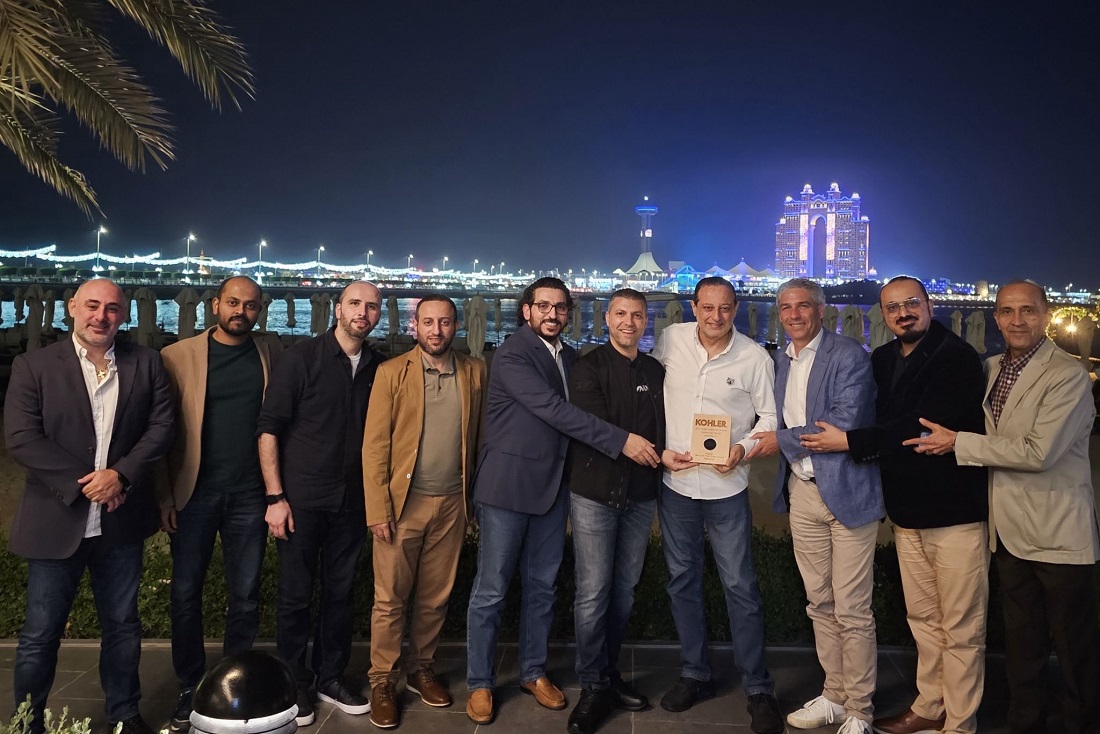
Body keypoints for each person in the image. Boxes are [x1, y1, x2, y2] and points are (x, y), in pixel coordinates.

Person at [907, 280, 1100, 734]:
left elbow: (1038, 452)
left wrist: (958, 443)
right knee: (1022, 646)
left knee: (1075, 652)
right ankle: (1023, 724)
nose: (1017, 321)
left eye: (1028, 311)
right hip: (1008, 534)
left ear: (1046, 314)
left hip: (1058, 535)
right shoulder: (991, 367)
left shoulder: (1068, 375)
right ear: (995, 318)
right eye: (1008, 312)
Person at [465, 277, 660, 725]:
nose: (552, 314)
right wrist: (622, 441)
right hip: (508, 488)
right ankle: (479, 682)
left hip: (555, 489)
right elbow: (556, 411)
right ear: (526, 311)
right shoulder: (513, 354)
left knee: (543, 587)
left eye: (560, 308)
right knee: (491, 590)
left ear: (568, 314)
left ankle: (533, 672)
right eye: (543, 306)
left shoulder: (572, 358)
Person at [803, 276, 989, 734]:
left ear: (929, 305)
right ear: (883, 315)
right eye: (892, 307)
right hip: (907, 515)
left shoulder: (957, 359)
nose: (903, 313)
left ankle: (960, 724)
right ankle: (929, 706)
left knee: (961, 626)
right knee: (924, 619)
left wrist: (847, 440)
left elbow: (917, 429)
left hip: (955, 514)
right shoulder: (883, 359)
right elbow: (876, 416)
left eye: (911, 304)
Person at [4, 278, 174, 734]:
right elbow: (22, 437)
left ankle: (124, 713)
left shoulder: (148, 364)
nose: (102, 316)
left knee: (123, 626)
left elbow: (160, 428)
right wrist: (86, 486)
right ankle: (27, 724)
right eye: (93, 306)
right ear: (72, 307)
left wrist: (120, 475)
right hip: (56, 520)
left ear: (125, 315)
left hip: (121, 521)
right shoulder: (34, 365)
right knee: (40, 635)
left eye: (113, 309)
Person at [747, 278, 885, 734]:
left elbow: (841, 425)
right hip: (803, 493)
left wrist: (776, 442)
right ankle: (834, 695)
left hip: (847, 491)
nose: (793, 315)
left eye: (802, 306)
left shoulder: (848, 354)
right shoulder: (780, 360)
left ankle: (861, 709)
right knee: (819, 602)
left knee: (852, 607)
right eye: (785, 307)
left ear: (819, 310)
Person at [650, 276, 783, 734]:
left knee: (740, 587)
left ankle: (758, 687)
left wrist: (743, 449)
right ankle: (695, 673)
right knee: (682, 581)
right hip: (676, 485)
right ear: (694, 306)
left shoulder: (754, 357)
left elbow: (770, 418)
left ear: (736, 309)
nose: (715, 317)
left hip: (727, 488)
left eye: (725, 309)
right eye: (707, 307)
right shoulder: (669, 340)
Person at [256, 281, 386, 726]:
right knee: (294, 596)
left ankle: (331, 677)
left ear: (379, 315)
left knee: (341, 594)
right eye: (355, 303)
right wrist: (275, 497)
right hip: (302, 499)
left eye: (371, 307)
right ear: (338, 308)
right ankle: (294, 683)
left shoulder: (378, 368)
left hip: (353, 502)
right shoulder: (301, 359)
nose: (362, 313)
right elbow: (269, 428)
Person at [157, 276, 283, 730]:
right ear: (215, 305)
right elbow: (160, 433)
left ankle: (234, 683)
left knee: (245, 596)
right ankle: (190, 686)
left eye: (251, 306)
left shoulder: (271, 354)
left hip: (250, 494)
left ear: (259, 310)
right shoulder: (176, 357)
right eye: (233, 302)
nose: (241, 312)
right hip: (194, 494)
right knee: (185, 594)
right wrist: (165, 494)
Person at [564, 289, 687, 734]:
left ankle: (608, 673)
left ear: (646, 321)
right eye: (620, 314)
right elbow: (591, 425)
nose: (629, 322)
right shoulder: (587, 367)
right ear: (607, 317)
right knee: (593, 593)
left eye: (637, 315)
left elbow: (666, 426)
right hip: (595, 493)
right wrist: (627, 443)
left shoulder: (656, 370)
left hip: (641, 495)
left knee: (624, 590)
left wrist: (669, 453)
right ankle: (592, 684)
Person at [362, 295, 486, 729]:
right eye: (428, 322)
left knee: (435, 597)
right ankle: (382, 680)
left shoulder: (474, 372)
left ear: (456, 327)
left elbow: (482, 436)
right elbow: (375, 446)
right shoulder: (391, 372)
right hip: (401, 506)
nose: (437, 331)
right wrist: (378, 508)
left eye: (446, 323)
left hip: (453, 503)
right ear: (414, 326)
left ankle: (420, 669)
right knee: (390, 599)